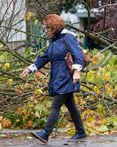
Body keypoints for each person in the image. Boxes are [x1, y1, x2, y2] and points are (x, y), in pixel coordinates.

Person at [21, 14, 87, 143]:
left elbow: (78, 55)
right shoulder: (55, 40)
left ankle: (45, 133)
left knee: (55, 106)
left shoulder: (68, 37)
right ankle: (81, 132)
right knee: (71, 106)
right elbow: (45, 57)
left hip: (66, 78)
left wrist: (77, 72)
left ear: (54, 27)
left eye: (47, 28)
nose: (45, 30)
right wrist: (30, 68)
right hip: (58, 78)